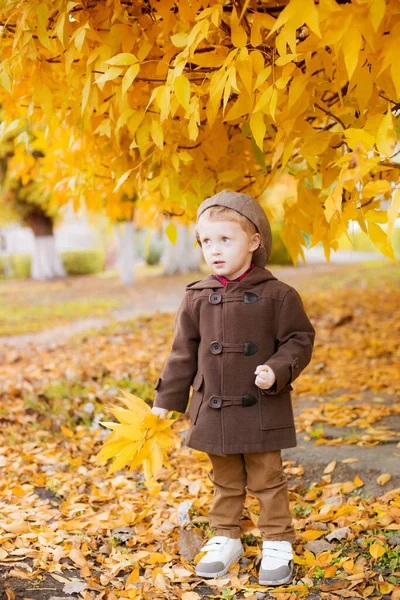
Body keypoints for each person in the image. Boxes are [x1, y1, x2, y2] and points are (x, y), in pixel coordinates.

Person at [152, 190, 315, 586]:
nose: (214, 250)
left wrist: (277, 369)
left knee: (266, 478)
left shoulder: (278, 295)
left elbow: (299, 338)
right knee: (224, 478)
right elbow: (181, 354)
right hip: (213, 406)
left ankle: (277, 540)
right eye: (207, 241)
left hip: (260, 404)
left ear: (254, 241)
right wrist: (165, 402)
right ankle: (226, 537)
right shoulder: (196, 297)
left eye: (226, 239)